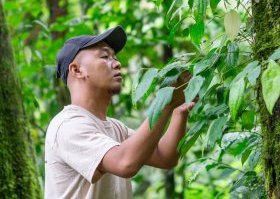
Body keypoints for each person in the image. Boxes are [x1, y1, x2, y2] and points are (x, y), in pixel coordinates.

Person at [44, 26, 195, 199]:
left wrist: (178, 110)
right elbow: (125, 163)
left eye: (115, 57)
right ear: (77, 70)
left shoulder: (115, 128)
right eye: (105, 56)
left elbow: (165, 157)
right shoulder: (68, 125)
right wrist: (165, 104)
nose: (117, 63)